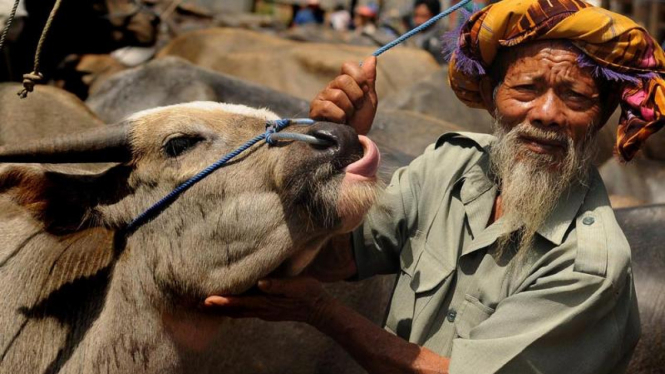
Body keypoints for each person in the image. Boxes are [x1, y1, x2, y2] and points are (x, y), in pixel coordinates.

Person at [205, 0, 665, 372]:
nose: (547, 113)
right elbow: (335, 259)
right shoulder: (450, 165)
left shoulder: (589, 263)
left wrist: (322, 314)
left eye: (576, 97)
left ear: (601, 117)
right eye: (526, 88)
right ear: (488, 97)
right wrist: (335, 156)